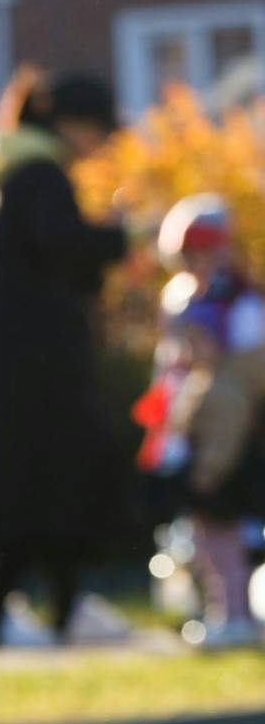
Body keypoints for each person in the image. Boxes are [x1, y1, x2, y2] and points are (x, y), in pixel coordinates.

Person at [0, 66, 135, 648]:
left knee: (30, 475)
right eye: (99, 131)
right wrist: (116, 237)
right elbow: (62, 248)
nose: (101, 144)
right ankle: (15, 614)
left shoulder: (7, 171)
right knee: (44, 471)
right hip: (36, 352)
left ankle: (46, 609)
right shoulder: (39, 175)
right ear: (71, 125)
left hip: (10, 347)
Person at [133, 195, 265, 648]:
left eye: (204, 252)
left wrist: (213, 459)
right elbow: (169, 374)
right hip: (190, 431)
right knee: (201, 534)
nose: (196, 263)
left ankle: (235, 615)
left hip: (226, 439)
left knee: (225, 532)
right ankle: (222, 612)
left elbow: (241, 388)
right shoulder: (181, 300)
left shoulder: (241, 306)